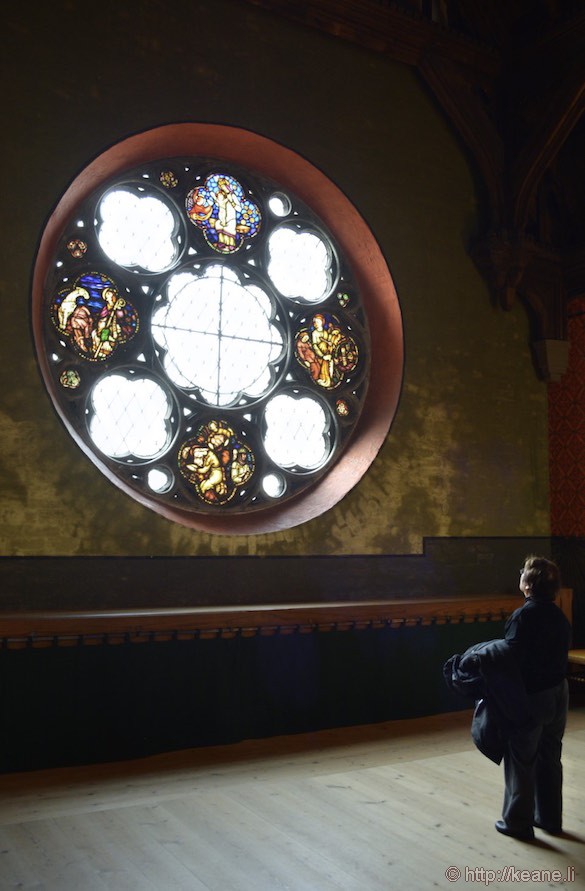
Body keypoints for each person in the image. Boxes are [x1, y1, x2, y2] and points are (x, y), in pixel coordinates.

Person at [495, 555, 571, 840]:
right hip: (558, 693)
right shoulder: (558, 615)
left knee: (521, 758)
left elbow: (511, 659)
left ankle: (517, 822)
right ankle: (550, 819)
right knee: (550, 756)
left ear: (527, 584)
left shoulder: (523, 616)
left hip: (532, 697)